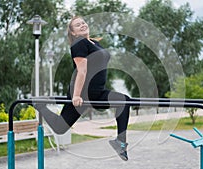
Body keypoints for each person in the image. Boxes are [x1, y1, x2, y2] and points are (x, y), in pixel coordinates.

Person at [34, 16, 131, 161]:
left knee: (124, 101)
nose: (82, 25)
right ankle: (39, 105)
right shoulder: (79, 43)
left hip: (97, 92)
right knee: (60, 127)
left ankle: (120, 142)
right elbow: (82, 70)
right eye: (78, 25)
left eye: (83, 22)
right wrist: (76, 96)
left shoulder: (94, 43)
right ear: (73, 33)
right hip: (82, 93)